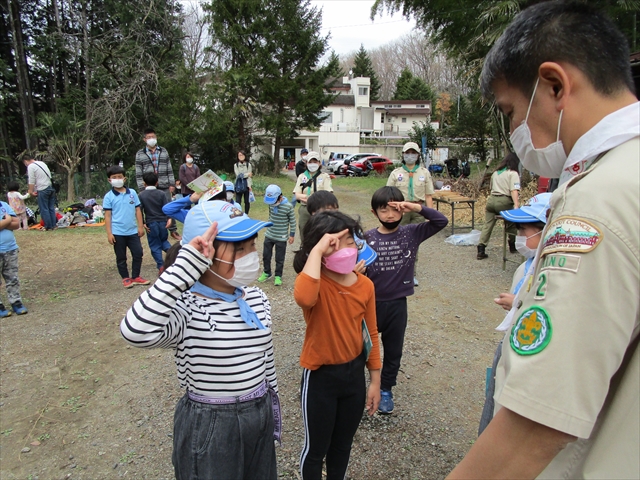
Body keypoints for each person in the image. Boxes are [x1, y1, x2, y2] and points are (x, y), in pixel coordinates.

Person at [447, 2, 639, 479]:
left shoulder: (602, 199)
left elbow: (538, 423)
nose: (515, 130)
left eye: (511, 110)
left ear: (555, 86)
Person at [120, 201, 279, 480]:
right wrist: (183, 268)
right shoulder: (186, 307)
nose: (250, 255)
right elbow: (135, 331)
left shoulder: (255, 297)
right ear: (204, 255)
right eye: (238, 249)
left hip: (259, 411)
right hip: (211, 422)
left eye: (252, 246)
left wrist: (272, 409)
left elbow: (265, 358)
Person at [293, 211, 381, 480]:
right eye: (335, 242)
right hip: (321, 378)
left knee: (342, 446)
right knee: (316, 449)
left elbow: (372, 334)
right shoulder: (316, 283)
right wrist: (318, 252)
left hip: (353, 377)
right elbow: (304, 298)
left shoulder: (365, 285)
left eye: (350, 241)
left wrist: (375, 380)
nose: (346, 248)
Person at [365, 186, 448, 413]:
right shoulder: (366, 238)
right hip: (370, 305)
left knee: (393, 350)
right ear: (375, 213)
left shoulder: (411, 233)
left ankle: (386, 390)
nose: (390, 215)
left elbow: (441, 222)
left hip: (397, 304)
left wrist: (416, 207)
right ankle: (360, 387)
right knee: (362, 348)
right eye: (384, 210)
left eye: (394, 209)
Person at [477, 193, 552, 435]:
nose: (519, 237)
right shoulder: (527, 264)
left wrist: (518, 305)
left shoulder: (551, 270)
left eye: (524, 230)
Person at [386, 141, 435, 286]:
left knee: (414, 243)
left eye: (413, 153)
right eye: (408, 153)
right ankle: (395, 272)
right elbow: (388, 194)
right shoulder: (396, 173)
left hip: (417, 210)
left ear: (418, 155)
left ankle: (411, 274)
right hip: (399, 210)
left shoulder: (424, 173)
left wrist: (429, 215)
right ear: (403, 154)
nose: (410, 155)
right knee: (396, 241)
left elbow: (428, 196)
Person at [103, 165, 149, 289]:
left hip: (132, 231)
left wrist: (140, 226)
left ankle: (136, 276)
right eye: (114, 177)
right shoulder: (108, 197)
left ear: (124, 179)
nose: (117, 179)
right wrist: (109, 233)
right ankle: (125, 278)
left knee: (138, 253)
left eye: (119, 177)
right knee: (121, 257)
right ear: (109, 180)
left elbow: (138, 210)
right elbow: (107, 216)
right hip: (118, 232)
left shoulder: (132, 193)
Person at [135, 128, 180, 241]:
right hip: (148, 184)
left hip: (164, 182)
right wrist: (141, 187)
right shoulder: (140, 154)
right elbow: (138, 172)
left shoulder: (163, 151)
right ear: (144, 139)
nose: (151, 139)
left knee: (168, 206)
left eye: (153, 137)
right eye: (149, 137)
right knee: (147, 207)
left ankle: (173, 230)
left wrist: (171, 183)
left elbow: (169, 168)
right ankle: (149, 226)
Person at [476, 153, 521, 260]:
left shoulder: (496, 173)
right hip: (504, 200)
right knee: (512, 221)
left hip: (491, 200)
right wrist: (516, 204)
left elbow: (491, 187)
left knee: (488, 225)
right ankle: (512, 245)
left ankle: (481, 248)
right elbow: (513, 190)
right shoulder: (513, 173)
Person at [258, 185, 296, 286]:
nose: (272, 203)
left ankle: (278, 275)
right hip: (269, 234)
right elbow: (270, 216)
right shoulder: (270, 204)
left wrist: (292, 235)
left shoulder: (288, 207)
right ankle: (267, 272)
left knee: (279, 258)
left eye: (274, 200)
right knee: (266, 255)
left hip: (281, 237)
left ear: (280, 197)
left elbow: (292, 222)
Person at [293, 151, 333, 244]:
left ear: (319, 163)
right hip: (305, 208)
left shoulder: (325, 177)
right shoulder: (302, 177)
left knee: (321, 231)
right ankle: (305, 251)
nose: (312, 164)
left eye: (315, 162)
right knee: (304, 230)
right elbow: (297, 194)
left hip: (321, 209)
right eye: (310, 162)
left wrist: (309, 198)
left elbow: (328, 194)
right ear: (306, 163)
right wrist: (313, 197)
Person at [139, 172, 172, 273]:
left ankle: (161, 265)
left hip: (151, 222)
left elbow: (139, 210)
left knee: (155, 245)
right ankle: (175, 256)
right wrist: (169, 219)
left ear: (144, 183)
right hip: (162, 222)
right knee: (164, 242)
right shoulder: (161, 194)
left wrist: (143, 223)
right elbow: (167, 208)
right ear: (157, 183)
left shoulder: (141, 195)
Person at [0, 201, 27, 317]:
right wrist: (7, 220)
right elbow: (11, 222)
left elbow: (16, 224)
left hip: (10, 248)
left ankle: (16, 302)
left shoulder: (3, 205)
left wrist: (4, 223)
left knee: (12, 277)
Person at [22, 154, 57, 231]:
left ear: (25, 161)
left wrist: (30, 191)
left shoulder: (31, 166)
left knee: (44, 208)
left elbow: (31, 181)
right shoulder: (41, 163)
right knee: (51, 207)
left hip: (42, 189)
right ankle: (53, 225)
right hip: (50, 187)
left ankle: (48, 226)